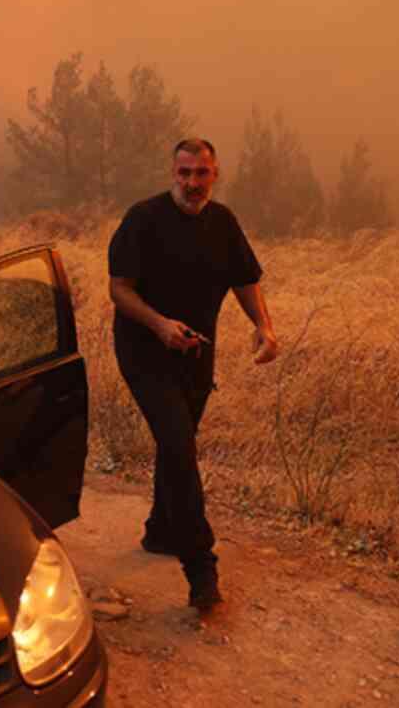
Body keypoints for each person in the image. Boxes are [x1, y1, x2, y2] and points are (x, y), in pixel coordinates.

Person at [107, 137, 278, 611]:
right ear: (172, 173)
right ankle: (201, 568)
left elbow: (245, 278)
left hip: (197, 356)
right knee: (179, 443)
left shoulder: (223, 224)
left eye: (201, 174)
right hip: (143, 352)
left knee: (175, 445)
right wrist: (160, 325)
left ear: (215, 174)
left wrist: (263, 327)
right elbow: (119, 290)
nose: (192, 183)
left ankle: (161, 530)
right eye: (184, 173)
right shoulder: (143, 219)